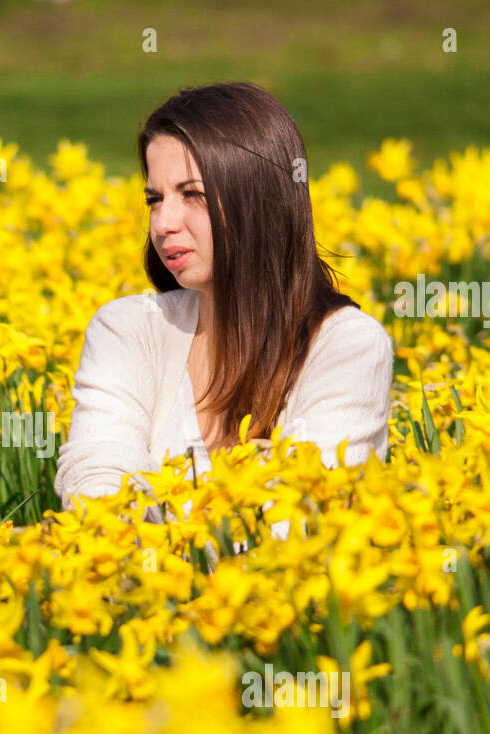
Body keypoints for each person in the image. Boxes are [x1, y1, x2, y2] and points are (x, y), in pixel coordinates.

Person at [54, 82, 393, 524]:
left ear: (258, 198)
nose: (163, 224)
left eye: (191, 194)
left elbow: (303, 522)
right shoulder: (125, 332)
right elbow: (96, 497)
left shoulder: (347, 348)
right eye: (155, 199)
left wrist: (162, 532)